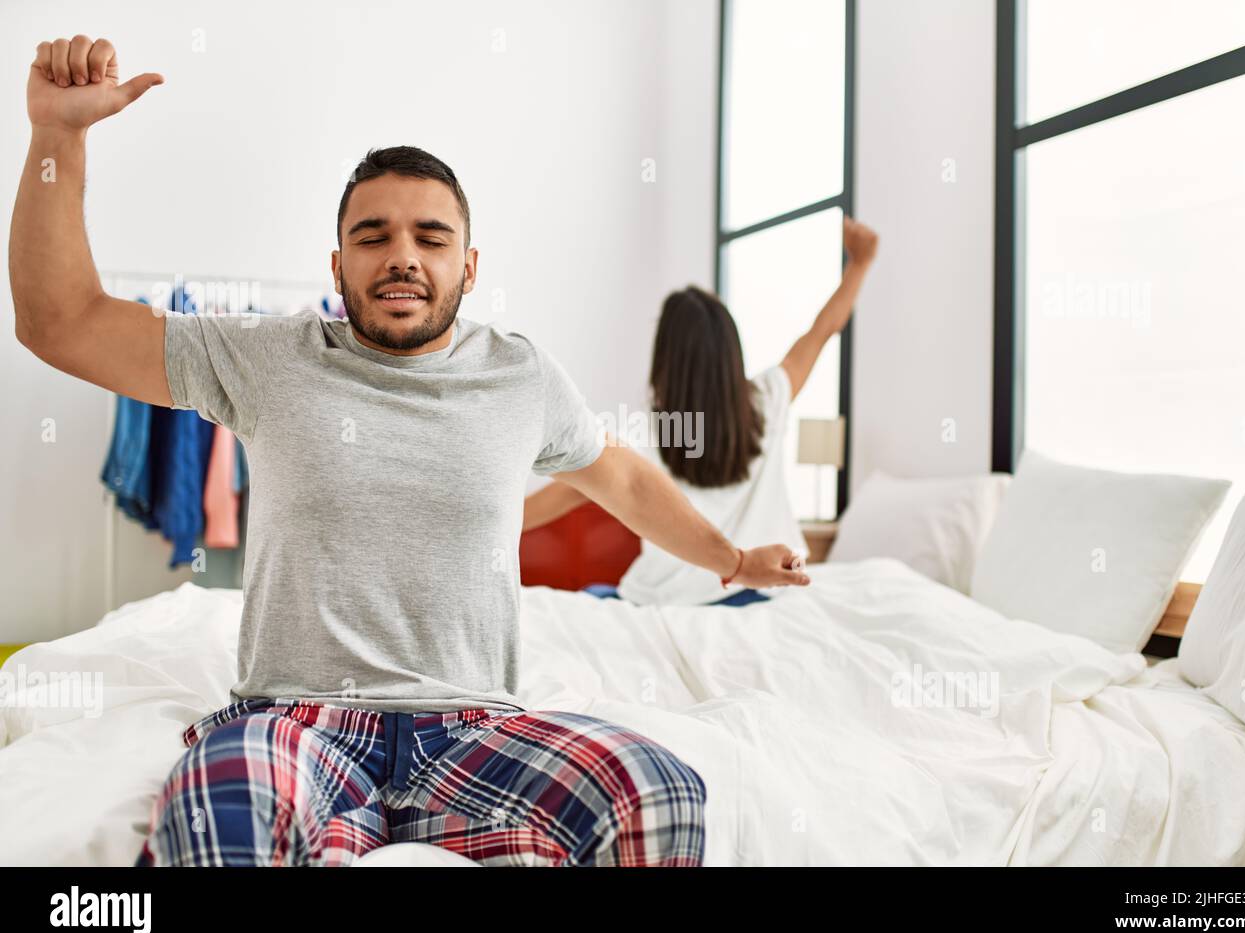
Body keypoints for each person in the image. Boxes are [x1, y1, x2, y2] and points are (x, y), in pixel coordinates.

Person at [12, 35, 812, 867]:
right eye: (374, 236)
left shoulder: (521, 375)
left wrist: (734, 560)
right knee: (224, 810)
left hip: (476, 730)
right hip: (297, 722)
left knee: (659, 792)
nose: (402, 255)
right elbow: (60, 323)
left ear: (468, 266)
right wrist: (56, 139)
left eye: (430, 237)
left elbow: (624, 481)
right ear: (338, 263)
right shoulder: (265, 357)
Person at [523, 217, 879, 607]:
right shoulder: (769, 399)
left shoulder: (650, 434)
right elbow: (823, 330)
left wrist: (476, 518)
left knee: (590, 599)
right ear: (731, 354)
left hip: (661, 601)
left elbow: (568, 493)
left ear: (665, 363)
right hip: (757, 594)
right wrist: (860, 264)